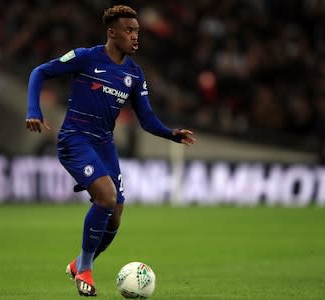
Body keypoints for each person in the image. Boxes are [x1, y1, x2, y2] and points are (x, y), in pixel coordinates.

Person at [25, 5, 195, 297]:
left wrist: (170, 133)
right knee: (105, 197)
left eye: (137, 31)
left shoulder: (134, 74)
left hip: (104, 143)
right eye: (129, 30)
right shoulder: (85, 57)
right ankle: (86, 271)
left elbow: (146, 118)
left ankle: (79, 263)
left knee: (115, 214)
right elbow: (40, 72)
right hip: (75, 138)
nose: (135, 36)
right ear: (112, 32)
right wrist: (33, 109)